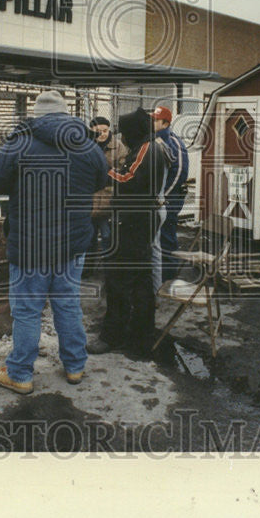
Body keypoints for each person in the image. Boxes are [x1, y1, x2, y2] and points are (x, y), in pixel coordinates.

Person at [0, 90, 108, 394]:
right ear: (66, 115)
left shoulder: (22, 141)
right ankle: (75, 366)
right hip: (72, 244)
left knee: (27, 310)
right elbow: (101, 180)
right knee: (67, 305)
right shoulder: (88, 145)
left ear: (37, 117)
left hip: (30, 246)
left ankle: (20, 374)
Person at [87, 107, 168, 359]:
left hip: (135, 222)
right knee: (140, 280)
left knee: (119, 279)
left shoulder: (147, 148)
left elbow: (128, 179)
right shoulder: (148, 147)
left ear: (133, 131)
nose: (121, 138)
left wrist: (104, 171)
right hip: (137, 220)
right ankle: (140, 333)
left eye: (124, 133)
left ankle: (113, 335)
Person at [151, 106, 190, 289]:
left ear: (165, 123)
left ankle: (169, 275)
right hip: (159, 198)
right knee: (157, 236)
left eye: (155, 120)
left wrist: (164, 195)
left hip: (170, 198)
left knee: (167, 235)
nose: (152, 123)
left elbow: (180, 172)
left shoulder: (174, 142)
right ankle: (158, 274)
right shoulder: (154, 139)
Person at [89, 116, 127, 267]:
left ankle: (108, 268)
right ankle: (88, 268)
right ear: (91, 131)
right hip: (89, 201)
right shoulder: (85, 146)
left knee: (107, 236)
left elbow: (123, 170)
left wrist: (105, 175)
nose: (102, 134)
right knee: (88, 237)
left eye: (105, 130)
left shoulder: (118, 147)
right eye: (98, 131)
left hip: (108, 200)